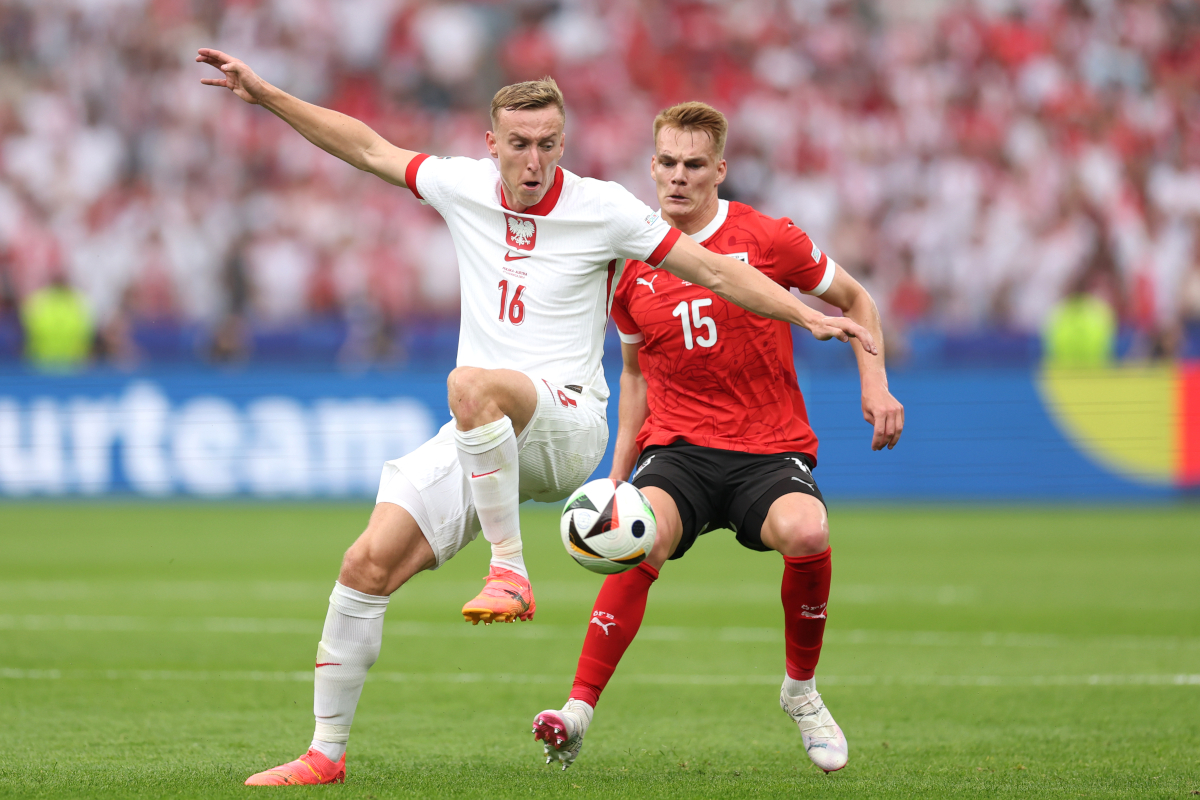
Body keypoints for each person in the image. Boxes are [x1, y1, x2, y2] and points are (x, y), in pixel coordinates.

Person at [198, 50, 876, 786]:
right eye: (518, 144)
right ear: (491, 143)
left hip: (564, 425)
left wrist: (805, 316)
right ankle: (325, 752)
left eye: (547, 144)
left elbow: (717, 269)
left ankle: (511, 571)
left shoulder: (605, 209)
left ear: (565, 144)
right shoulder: (461, 186)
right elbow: (365, 146)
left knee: (470, 384)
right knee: (366, 564)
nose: (533, 160)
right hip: (483, 430)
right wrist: (266, 94)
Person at [531, 102, 904, 774]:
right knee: (640, 539)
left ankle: (801, 692)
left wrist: (873, 386)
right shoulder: (629, 262)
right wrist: (617, 479)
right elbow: (635, 378)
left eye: (694, 164)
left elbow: (856, 300)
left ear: (719, 170)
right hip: (678, 452)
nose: (678, 176)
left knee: (808, 533)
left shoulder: (769, 238)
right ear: (652, 167)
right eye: (668, 163)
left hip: (768, 447)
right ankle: (578, 710)